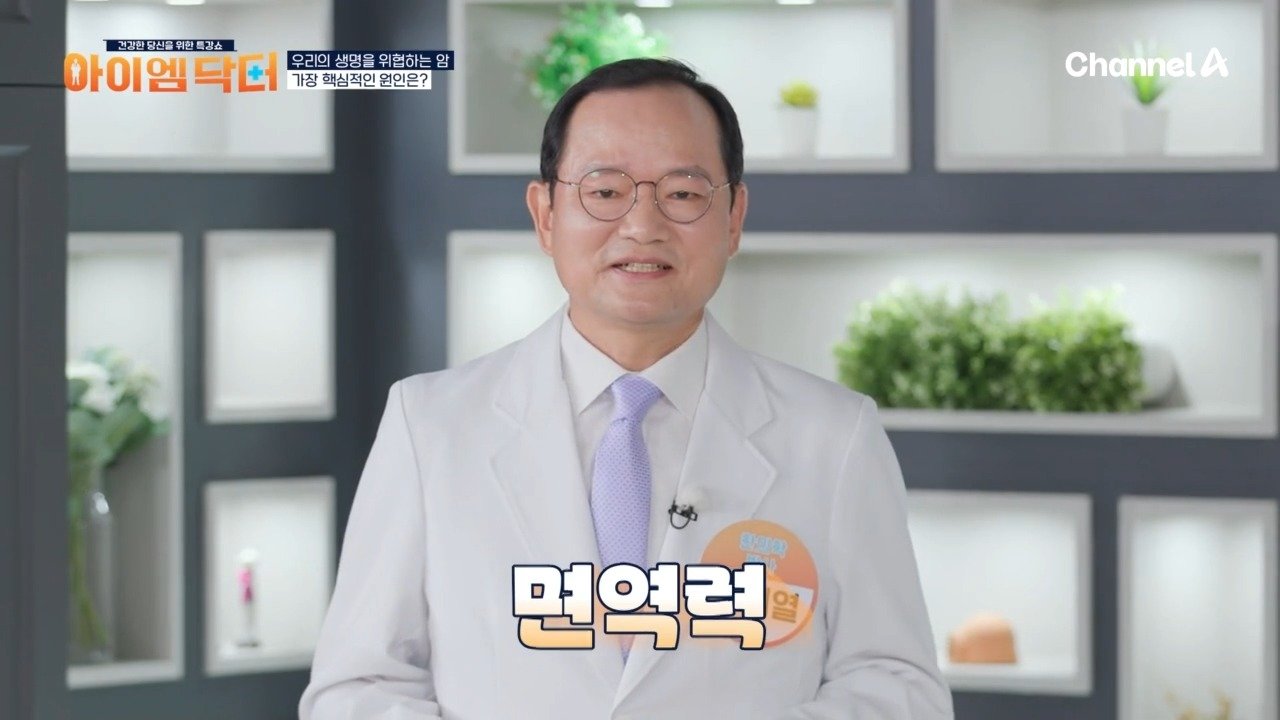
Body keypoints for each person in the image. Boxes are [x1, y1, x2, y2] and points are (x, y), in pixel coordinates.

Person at [299, 58, 954, 720]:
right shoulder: (430, 425)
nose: (643, 225)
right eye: (605, 190)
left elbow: (899, 687)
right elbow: (355, 688)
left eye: (684, 193)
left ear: (733, 217)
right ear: (545, 213)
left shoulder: (834, 436)